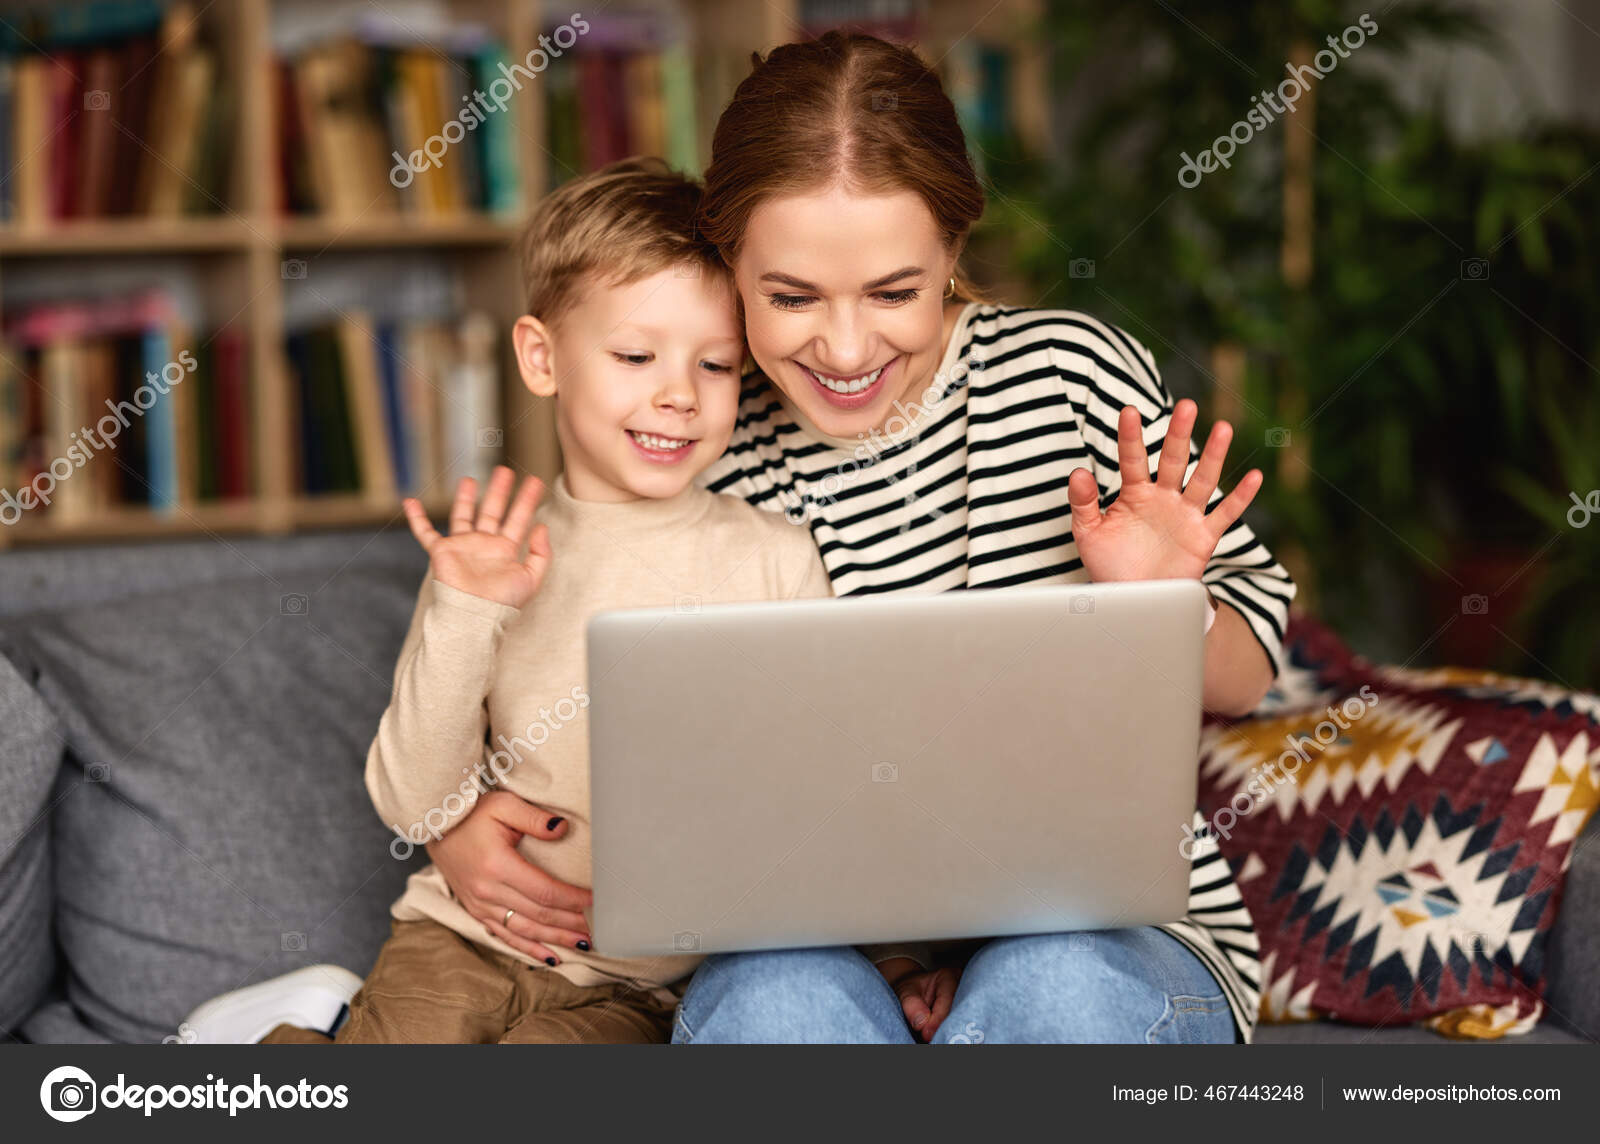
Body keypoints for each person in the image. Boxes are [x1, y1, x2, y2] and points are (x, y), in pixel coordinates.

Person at [425, 33, 1297, 1044]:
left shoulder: (1070, 376)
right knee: (775, 1008)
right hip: (812, 946)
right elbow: (572, 672)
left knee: (1052, 990)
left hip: (1107, 941)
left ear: (952, 258)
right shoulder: (691, 433)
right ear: (727, 265)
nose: (844, 350)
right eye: (790, 297)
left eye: (893, 292)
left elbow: (1247, 681)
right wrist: (452, 823)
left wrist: (1161, 606)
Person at [180, 158, 918, 1044]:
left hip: (636, 990)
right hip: (458, 938)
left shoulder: (775, 560)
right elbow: (411, 799)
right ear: (542, 358)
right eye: (635, 355)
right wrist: (465, 607)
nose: (678, 394)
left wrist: (894, 957)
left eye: (716, 366)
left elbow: (823, 792)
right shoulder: (490, 557)